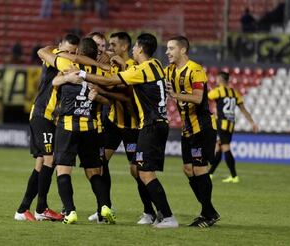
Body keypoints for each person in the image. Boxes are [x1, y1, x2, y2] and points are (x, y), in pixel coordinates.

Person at [83, 33, 179, 228]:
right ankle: (160, 213)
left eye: (135, 47)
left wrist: (82, 75)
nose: (134, 50)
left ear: (140, 49)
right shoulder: (156, 65)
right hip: (156, 124)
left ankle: (167, 216)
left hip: (148, 125)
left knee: (143, 172)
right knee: (143, 171)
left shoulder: (140, 70)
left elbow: (111, 81)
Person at [41, 38, 116, 225]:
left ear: (78, 53)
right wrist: (98, 95)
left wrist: (66, 78)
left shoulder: (70, 64)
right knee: (94, 172)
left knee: (63, 171)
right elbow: (111, 100)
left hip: (67, 125)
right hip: (91, 127)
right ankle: (105, 206)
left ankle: (70, 211)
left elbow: (55, 82)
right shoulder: (102, 72)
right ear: (95, 54)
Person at [14, 34, 80, 222]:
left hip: (50, 118)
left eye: (72, 53)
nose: (68, 55)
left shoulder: (65, 63)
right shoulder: (54, 60)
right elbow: (45, 54)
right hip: (42, 115)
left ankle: (23, 209)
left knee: (42, 163)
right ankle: (40, 208)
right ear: (59, 48)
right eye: (65, 50)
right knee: (50, 160)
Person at [165, 36, 220, 227]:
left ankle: (207, 213)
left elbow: (198, 98)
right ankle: (209, 210)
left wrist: (174, 95)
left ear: (182, 50)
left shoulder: (195, 70)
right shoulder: (170, 70)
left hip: (202, 127)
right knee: (188, 169)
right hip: (187, 128)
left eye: (171, 48)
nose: (167, 52)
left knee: (199, 168)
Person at [208, 71, 259, 183]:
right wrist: (252, 122)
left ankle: (234, 176)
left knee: (225, 148)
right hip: (231, 124)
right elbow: (243, 109)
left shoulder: (218, 91)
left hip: (222, 123)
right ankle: (210, 173)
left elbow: (206, 97)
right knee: (219, 147)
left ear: (220, 79)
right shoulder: (235, 93)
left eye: (217, 79)